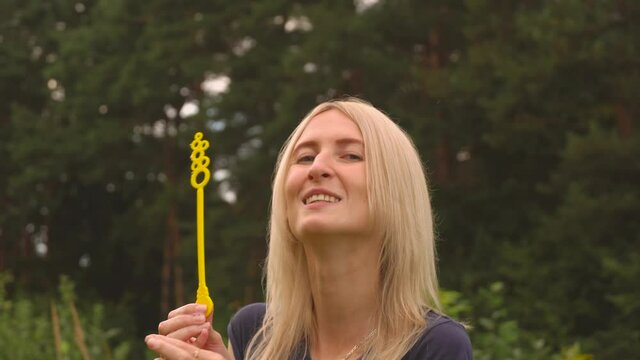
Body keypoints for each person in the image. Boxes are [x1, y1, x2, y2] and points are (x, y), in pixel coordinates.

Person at [145, 98, 472, 359]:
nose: (317, 168)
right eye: (304, 158)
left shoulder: (435, 346)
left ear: (397, 193)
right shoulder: (255, 333)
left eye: (350, 155)